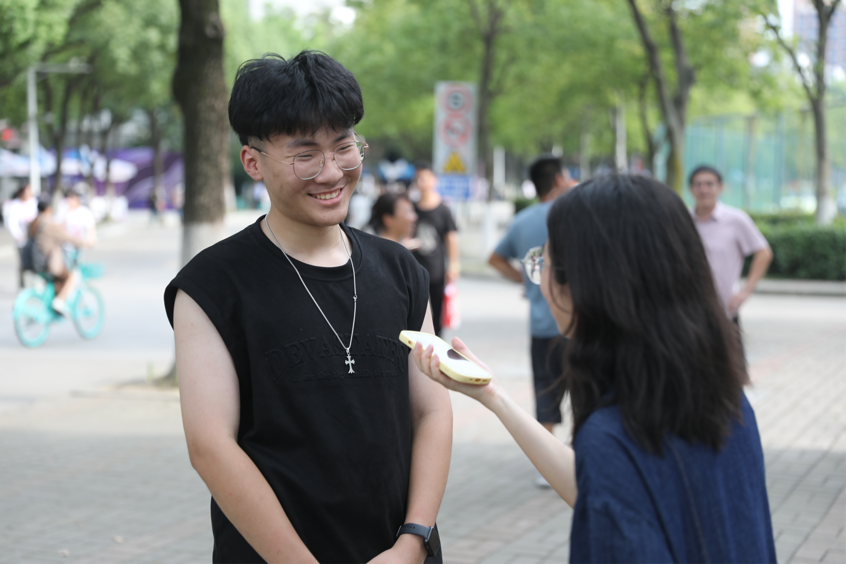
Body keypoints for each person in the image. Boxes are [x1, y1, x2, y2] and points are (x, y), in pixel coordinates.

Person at [164, 51, 452, 564]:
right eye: (305, 155)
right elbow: (210, 445)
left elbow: (431, 411)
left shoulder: (401, 271)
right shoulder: (211, 285)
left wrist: (413, 541)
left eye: (344, 146)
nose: (332, 172)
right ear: (252, 162)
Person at [413, 175, 777, 563]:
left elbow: (609, 477)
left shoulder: (613, 437)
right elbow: (597, 483)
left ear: (586, 284)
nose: (541, 279)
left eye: (543, 263)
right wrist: (494, 396)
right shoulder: (723, 402)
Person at [488, 156, 570, 487]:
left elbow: (495, 258)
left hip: (541, 325)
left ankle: (547, 465)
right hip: (581, 326)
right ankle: (581, 456)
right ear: (560, 180)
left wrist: (527, 280)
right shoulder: (576, 214)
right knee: (585, 391)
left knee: (545, 389)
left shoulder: (522, 221)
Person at [689, 165, 772, 323]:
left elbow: (763, 253)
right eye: (698, 184)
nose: (703, 190)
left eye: (709, 184)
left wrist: (745, 292)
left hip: (725, 311)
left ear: (720, 187)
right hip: (688, 312)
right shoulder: (682, 220)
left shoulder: (735, 220)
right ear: (690, 189)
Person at [411, 162, 459, 336]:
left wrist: (453, 264)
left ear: (433, 180)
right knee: (416, 314)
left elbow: (451, 238)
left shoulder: (443, 210)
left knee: (436, 315)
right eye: (417, 179)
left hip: (436, 271)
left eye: (424, 178)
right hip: (414, 271)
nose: (420, 182)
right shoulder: (411, 208)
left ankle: (436, 345)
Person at [28, 199, 89, 315]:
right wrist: (86, 242)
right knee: (71, 277)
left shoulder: (35, 222)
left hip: (36, 262)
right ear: (49, 209)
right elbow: (66, 237)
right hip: (48, 263)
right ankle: (60, 301)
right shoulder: (48, 223)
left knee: (58, 279)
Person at [3, 182, 38, 287]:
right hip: (21, 238)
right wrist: (17, 235)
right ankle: (22, 284)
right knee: (23, 262)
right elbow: (11, 222)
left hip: (33, 238)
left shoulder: (33, 202)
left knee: (35, 261)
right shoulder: (15, 205)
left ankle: (35, 284)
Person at [61, 184, 97, 264]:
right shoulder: (64, 210)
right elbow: (58, 226)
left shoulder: (84, 212)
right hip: (66, 245)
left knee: (79, 266)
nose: (70, 201)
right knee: (67, 266)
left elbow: (90, 228)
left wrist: (91, 240)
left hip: (80, 244)